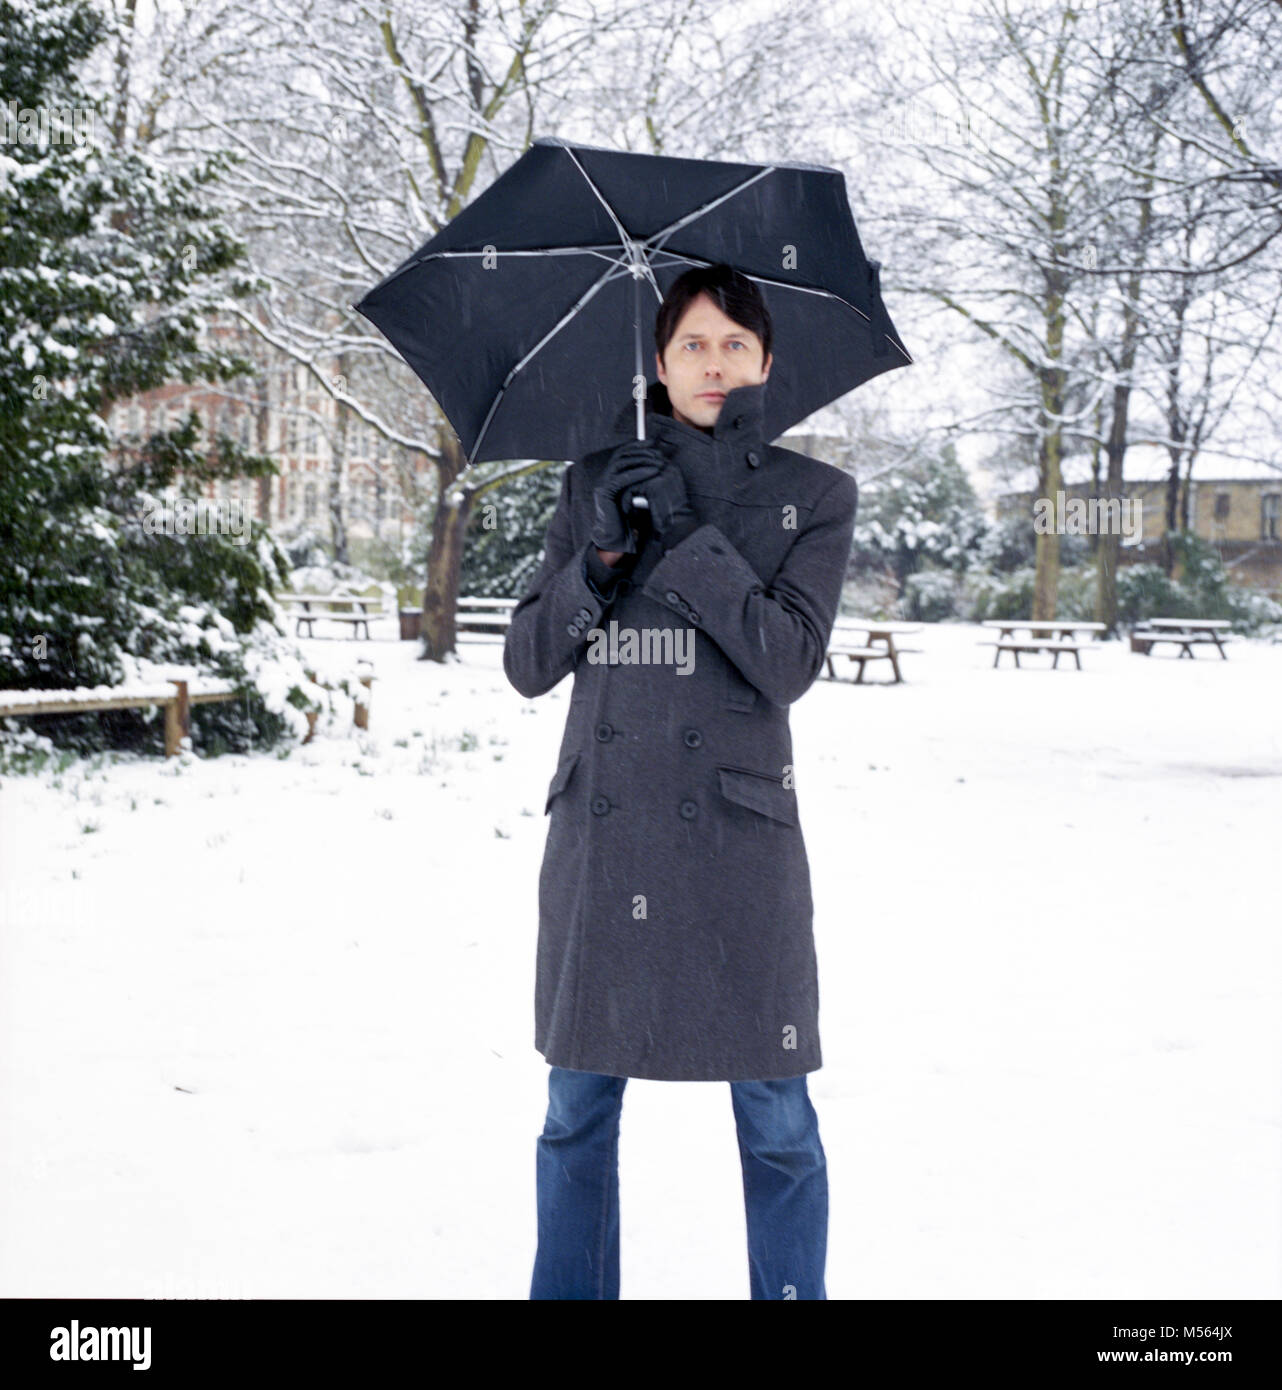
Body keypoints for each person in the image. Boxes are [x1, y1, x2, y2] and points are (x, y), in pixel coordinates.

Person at [502, 263, 859, 1299]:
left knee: (778, 1114)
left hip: (737, 844)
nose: (713, 363)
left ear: (766, 362)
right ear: (657, 363)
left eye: (733, 345)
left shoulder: (812, 496)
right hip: (606, 844)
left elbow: (787, 660)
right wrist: (603, 557)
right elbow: (528, 662)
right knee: (574, 1107)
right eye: (692, 344)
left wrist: (691, 540)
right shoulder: (591, 481)